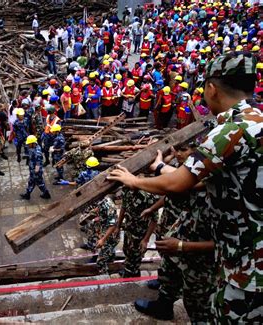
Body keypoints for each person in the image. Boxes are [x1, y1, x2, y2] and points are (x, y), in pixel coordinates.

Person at [108, 52, 263, 323]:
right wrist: (158, 168)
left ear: (212, 89)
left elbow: (180, 182)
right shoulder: (255, 121)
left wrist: (134, 181)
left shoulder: (229, 132)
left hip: (247, 266)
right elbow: (205, 176)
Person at [134, 142, 217, 322]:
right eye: (177, 149)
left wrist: (143, 176)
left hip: (198, 247)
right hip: (183, 227)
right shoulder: (186, 170)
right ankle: (164, 303)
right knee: (169, 267)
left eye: (184, 149)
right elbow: (171, 188)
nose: (179, 154)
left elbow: (225, 242)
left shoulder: (213, 183)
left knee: (198, 301)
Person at [115, 188, 158, 278]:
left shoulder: (149, 196)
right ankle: (129, 270)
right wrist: (118, 226)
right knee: (127, 251)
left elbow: (154, 220)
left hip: (140, 234)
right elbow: (123, 207)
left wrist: (146, 240)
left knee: (135, 257)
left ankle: (131, 278)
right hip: (128, 230)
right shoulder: (126, 190)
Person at [20, 135, 51, 200]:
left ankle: (45, 194)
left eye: (29, 144)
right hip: (33, 170)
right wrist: (26, 156)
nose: (28, 145)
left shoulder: (38, 152)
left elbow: (38, 163)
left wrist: (35, 172)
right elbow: (31, 155)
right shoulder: (32, 147)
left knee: (38, 183)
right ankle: (28, 194)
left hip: (36, 171)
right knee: (34, 182)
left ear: (33, 143)